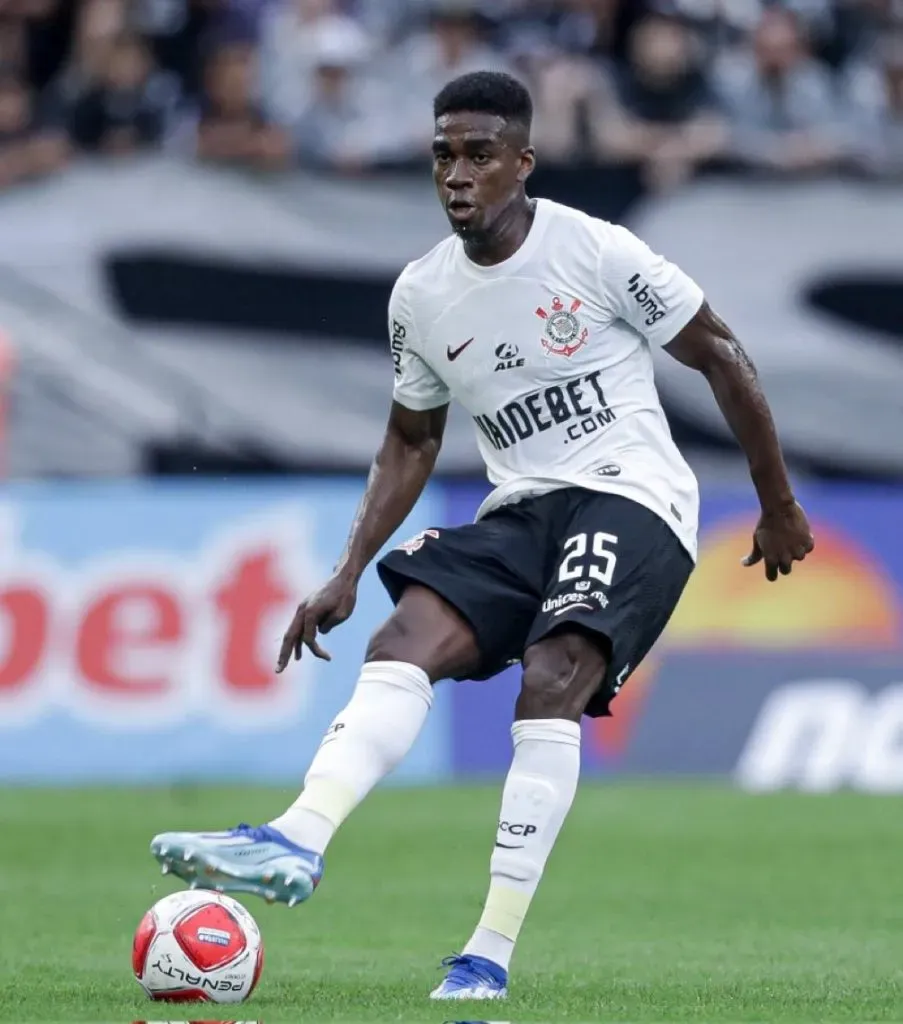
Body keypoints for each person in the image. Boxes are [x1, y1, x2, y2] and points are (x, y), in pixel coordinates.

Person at [150, 70, 814, 1001]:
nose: (455, 175)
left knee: (551, 677)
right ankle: (296, 838)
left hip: (632, 498)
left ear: (522, 164)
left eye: (477, 155)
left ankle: (486, 955)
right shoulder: (421, 295)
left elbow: (723, 355)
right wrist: (345, 571)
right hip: (522, 512)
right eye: (441, 156)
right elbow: (409, 439)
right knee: (400, 639)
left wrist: (776, 503)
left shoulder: (595, 250)